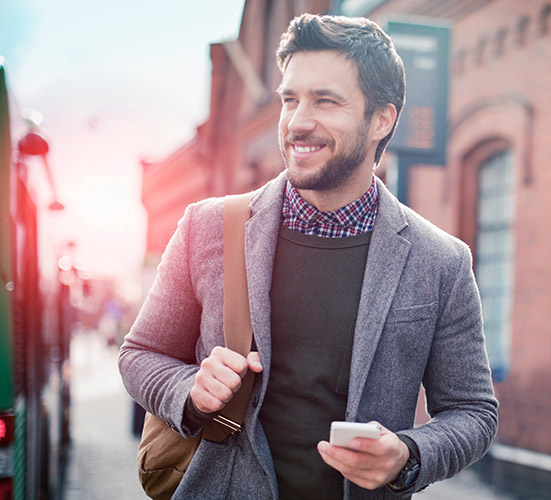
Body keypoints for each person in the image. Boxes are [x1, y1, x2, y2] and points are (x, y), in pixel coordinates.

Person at [119, 13, 498, 500]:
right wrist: (188, 390)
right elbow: (139, 355)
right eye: (290, 99)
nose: (298, 122)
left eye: (326, 101)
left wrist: (408, 454)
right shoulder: (206, 226)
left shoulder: (440, 261)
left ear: (382, 118)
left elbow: (474, 412)